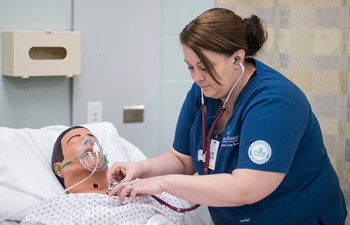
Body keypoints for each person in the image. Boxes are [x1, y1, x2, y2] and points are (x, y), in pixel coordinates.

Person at [107, 7, 348, 225]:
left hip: (296, 217)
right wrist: (140, 168)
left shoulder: (274, 102)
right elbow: (182, 160)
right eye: (190, 66)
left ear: (237, 58)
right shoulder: (203, 94)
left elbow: (246, 188)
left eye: (205, 66)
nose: (197, 77)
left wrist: (162, 183)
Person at [21, 126, 187, 225]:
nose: (89, 142)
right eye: (76, 139)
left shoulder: (141, 189)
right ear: (59, 168)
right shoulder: (56, 209)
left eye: (93, 139)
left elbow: (179, 215)